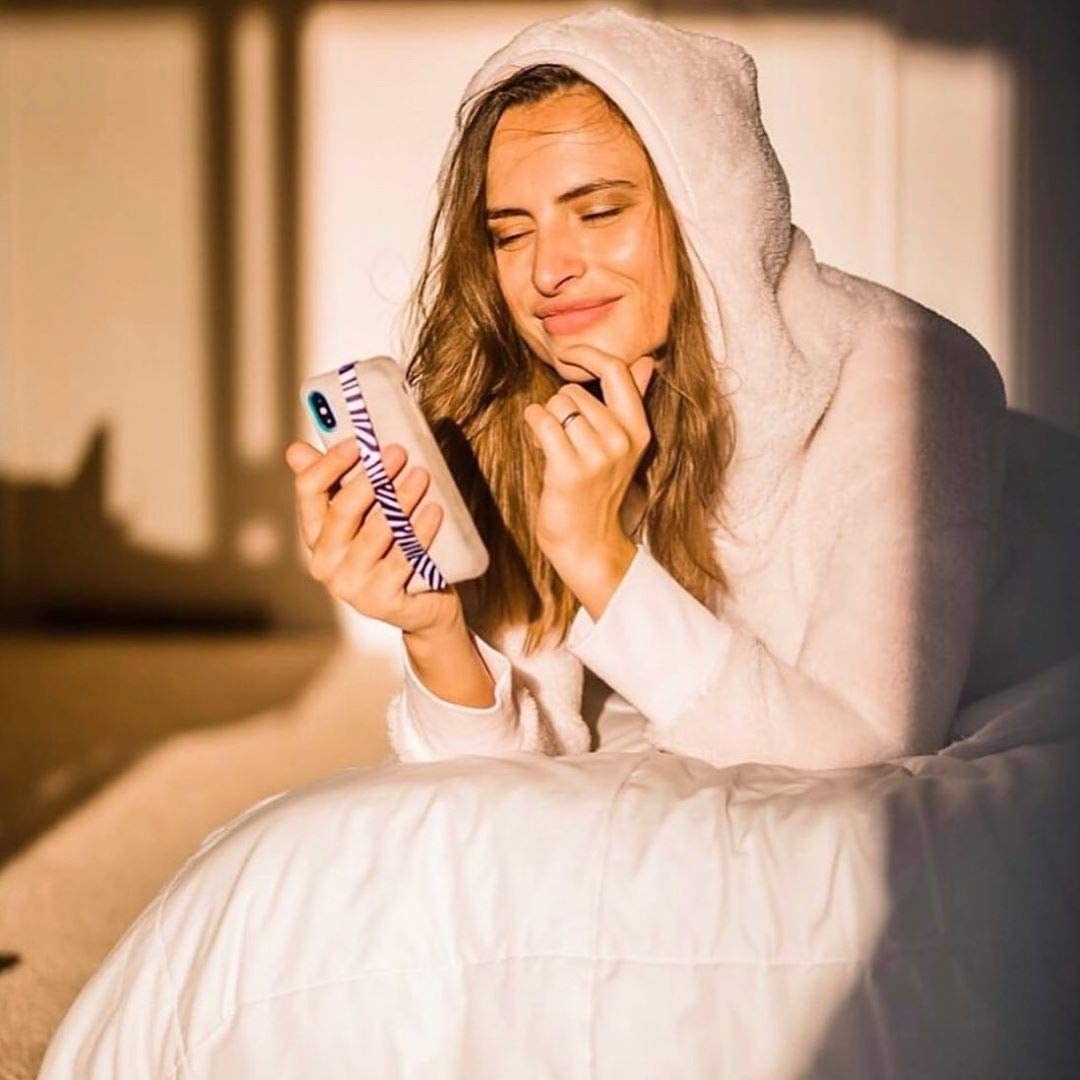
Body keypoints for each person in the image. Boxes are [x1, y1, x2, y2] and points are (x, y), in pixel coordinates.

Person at [285, 7, 1079, 771]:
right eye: (511, 231)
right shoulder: (548, 401)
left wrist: (596, 552)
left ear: (712, 211)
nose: (545, 271)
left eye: (597, 211)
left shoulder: (910, 376)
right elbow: (507, 772)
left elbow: (865, 760)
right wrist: (433, 630)